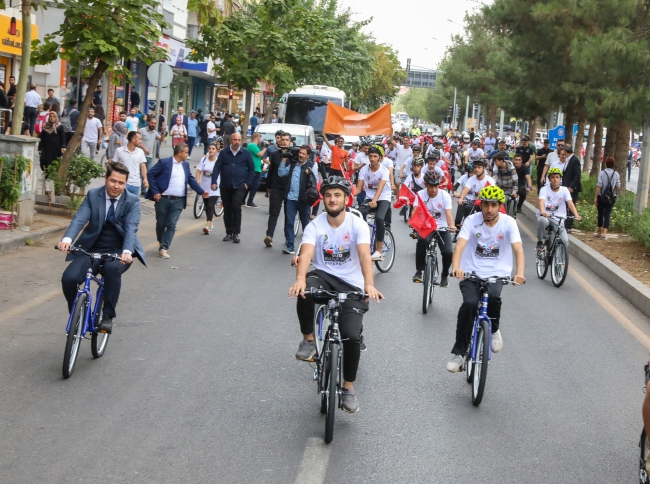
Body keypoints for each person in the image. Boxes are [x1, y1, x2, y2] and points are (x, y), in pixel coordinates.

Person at [289, 176, 384, 413]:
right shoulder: (315, 225)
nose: (333, 199)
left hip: (352, 284)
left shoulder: (357, 224)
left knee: (351, 336)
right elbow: (308, 253)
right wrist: (300, 279)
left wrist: (369, 284)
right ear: (323, 198)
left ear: (346, 198)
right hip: (323, 276)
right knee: (306, 291)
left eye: (338, 195)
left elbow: (364, 255)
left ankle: (348, 388)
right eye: (329, 195)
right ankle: (309, 340)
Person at [58, 162, 146, 335]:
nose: (116, 186)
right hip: (91, 249)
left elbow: (131, 228)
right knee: (69, 279)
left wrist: (127, 252)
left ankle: (107, 316)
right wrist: (67, 240)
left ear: (126, 184)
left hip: (118, 251)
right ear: (106, 179)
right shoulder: (93, 195)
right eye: (113, 181)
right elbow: (80, 219)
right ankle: (77, 313)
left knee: (113, 269)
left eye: (121, 183)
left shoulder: (132, 201)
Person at [446, 185, 526, 372]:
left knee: (494, 297)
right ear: (480, 205)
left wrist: (519, 272)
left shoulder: (508, 223)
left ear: (500, 206)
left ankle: (494, 328)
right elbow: (459, 246)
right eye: (486, 205)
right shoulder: (471, 221)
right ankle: (459, 353)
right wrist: (456, 267)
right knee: (470, 304)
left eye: (493, 205)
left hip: (497, 272)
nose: (489, 210)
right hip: (471, 272)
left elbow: (518, 249)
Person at [146, 143, 208, 258]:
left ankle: (164, 248)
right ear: (179, 153)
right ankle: (161, 240)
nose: (187, 155)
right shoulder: (164, 163)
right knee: (161, 224)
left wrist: (201, 191)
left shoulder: (185, 165)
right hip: (163, 199)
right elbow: (150, 174)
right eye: (186, 152)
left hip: (178, 201)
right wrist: (155, 192)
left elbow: (190, 179)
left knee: (171, 224)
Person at [412, 170, 456, 286]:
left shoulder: (445, 196)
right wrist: (413, 222)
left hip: (442, 228)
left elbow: (449, 215)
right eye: (431, 186)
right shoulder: (420, 195)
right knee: (421, 241)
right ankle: (419, 270)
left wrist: (451, 225)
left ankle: (445, 273)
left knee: (448, 252)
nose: (433, 189)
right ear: (426, 184)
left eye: (436, 186)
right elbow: (415, 211)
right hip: (426, 227)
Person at [210, 133, 255, 243]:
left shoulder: (245, 153)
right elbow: (217, 167)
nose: (237, 142)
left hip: (240, 185)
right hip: (225, 185)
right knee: (228, 208)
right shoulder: (224, 153)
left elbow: (252, 169)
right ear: (230, 140)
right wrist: (214, 181)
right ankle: (229, 232)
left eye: (239, 140)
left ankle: (236, 233)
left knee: (236, 207)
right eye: (235, 140)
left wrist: (248, 183)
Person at [357, 146, 392, 261]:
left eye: (375, 156)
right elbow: (358, 189)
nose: (372, 158)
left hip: (383, 198)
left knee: (379, 218)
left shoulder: (384, 171)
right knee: (358, 214)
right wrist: (346, 196)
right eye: (370, 156)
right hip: (370, 197)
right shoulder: (364, 170)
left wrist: (375, 201)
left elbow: (381, 188)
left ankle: (379, 250)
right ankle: (363, 241)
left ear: (380, 158)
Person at [536, 168, 582, 251]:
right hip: (546, 217)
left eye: (557, 177)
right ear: (549, 179)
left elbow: (570, 203)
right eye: (553, 177)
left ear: (560, 179)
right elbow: (541, 202)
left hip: (559, 219)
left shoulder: (564, 190)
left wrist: (576, 215)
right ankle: (540, 241)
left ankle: (558, 259)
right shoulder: (544, 189)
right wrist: (543, 212)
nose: (555, 179)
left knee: (564, 241)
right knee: (542, 220)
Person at [283, 145, 318, 254]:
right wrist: (283, 159)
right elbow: (281, 173)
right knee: (289, 223)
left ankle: (307, 247)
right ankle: (290, 246)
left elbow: (315, 182)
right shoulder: (293, 164)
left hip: (304, 200)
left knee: (306, 225)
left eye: (303, 154)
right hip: (291, 198)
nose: (300, 155)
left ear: (308, 155)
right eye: (300, 153)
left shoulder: (312, 165)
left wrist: (309, 174)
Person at [264, 132, 293, 248]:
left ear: (290, 141)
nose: (284, 141)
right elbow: (270, 171)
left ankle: (288, 238)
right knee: (274, 213)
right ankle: (269, 236)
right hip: (276, 188)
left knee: (288, 214)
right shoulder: (275, 154)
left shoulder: (294, 155)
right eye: (282, 139)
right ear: (279, 141)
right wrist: (268, 187)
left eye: (287, 139)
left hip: (289, 189)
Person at [455, 158, 494, 237]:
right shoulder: (471, 179)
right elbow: (465, 189)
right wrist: (461, 198)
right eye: (475, 167)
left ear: (484, 168)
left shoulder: (489, 180)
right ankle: (466, 231)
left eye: (479, 167)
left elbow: (492, 194)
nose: (476, 169)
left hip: (485, 203)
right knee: (468, 209)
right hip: (473, 202)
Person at [196, 143, 222, 235]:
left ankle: (208, 225)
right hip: (205, 186)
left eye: (213, 149)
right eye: (209, 148)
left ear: (216, 151)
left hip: (215, 187)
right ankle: (209, 222)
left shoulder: (219, 161)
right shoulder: (203, 160)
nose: (211, 150)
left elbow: (223, 173)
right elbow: (198, 171)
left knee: (210, 205)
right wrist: (197, 180)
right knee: (207, 206)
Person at [113, 131, 149, 196]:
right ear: (133, 140)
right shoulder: (119, 151)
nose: (141, 141)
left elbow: (143, 166)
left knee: (134, 204)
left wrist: (145, 179)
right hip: (122, 183)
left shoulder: (140, 152)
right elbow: (113, 165)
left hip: (136, 184)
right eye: (139, 139)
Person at [594, 157, 621, 239]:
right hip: (611, 198)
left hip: (601, 197)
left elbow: (599, 185)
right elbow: (618, 187)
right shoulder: (616, 174)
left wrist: (595, 197)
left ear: (605, 164)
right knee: (607, 214)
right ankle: (605, 233)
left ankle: (599, 232)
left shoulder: (602, 173)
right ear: (613, 165)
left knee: (600, 214)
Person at [560, 146, 582, 233]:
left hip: (571, 189)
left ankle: (569, 226)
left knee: (571, 205)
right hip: (565, 187)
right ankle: (564, 224)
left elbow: (577, 175)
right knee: (565, 205)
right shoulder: (568, 160)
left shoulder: (574, 160)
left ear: (565, 151)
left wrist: (572, 187)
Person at [138, 118, 163, 194]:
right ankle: (135, 187)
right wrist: (144, 148)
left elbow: (160, 140)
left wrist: (163, 132)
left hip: (150, 156)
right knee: (138, 173)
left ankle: (143, 190)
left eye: (155, 123)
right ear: (148, 122)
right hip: (141, 155)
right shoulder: (142, 130)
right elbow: (137, 141)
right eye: (152, 123)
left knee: (147, 173)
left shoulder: (155, 133)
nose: (153, 124)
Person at [244, 132, 268, 208]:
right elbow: (260, 154)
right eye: (260, 138)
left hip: (257, 169)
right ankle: (244, 200)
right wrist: (265, 148)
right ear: (258, 138)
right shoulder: (251, 145)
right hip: (252, 169)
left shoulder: (256, 146)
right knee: (249, 185)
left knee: (254, 186)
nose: (260, 140)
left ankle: (249, 201)